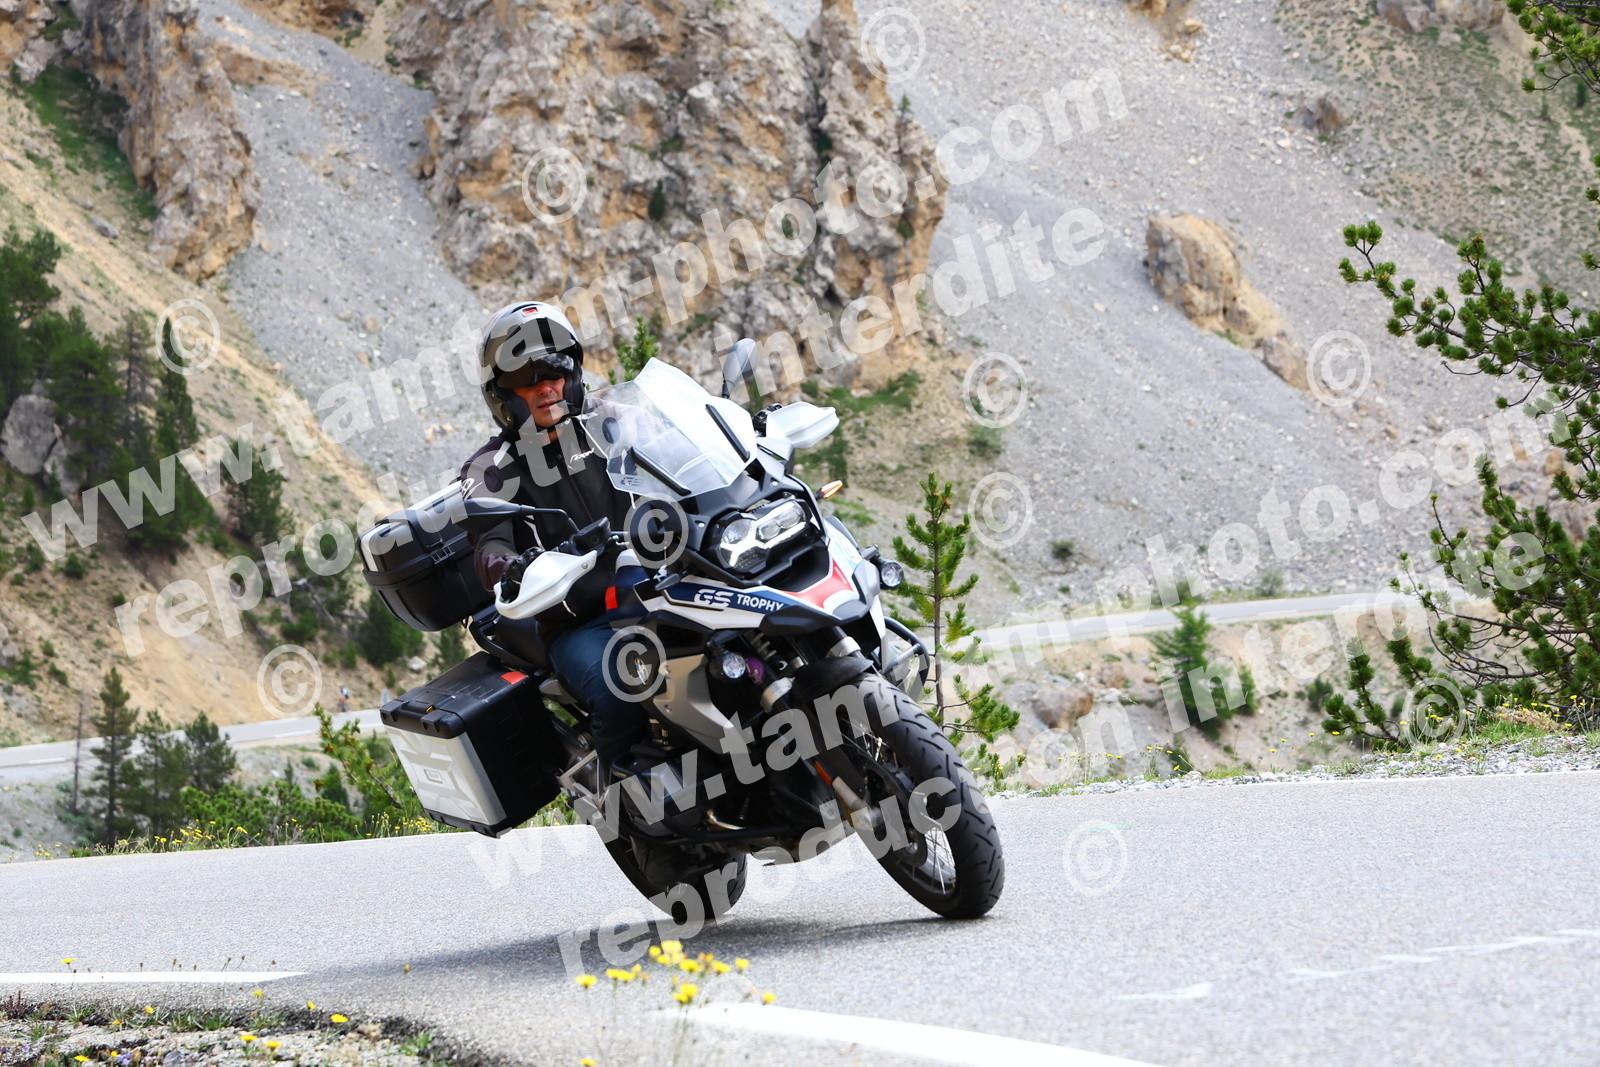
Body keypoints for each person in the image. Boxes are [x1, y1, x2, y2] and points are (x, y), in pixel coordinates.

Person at [458, 301, 646, 779]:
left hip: (660, 583)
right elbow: (490, 546)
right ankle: (627, 803)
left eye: (556, 369)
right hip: (581, 620)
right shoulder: (491, 468)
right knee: (621, 690)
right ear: (503, 393)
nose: (546, 386)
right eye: (527, 376)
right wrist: (515, 567)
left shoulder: (614, 420)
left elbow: (679, 441)